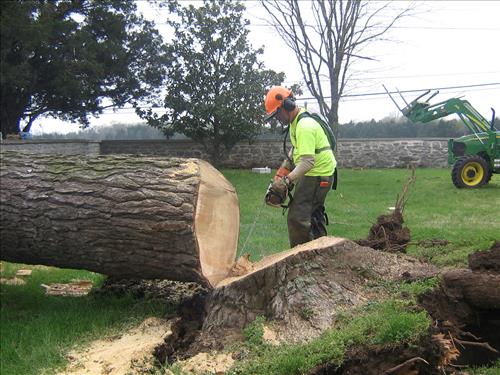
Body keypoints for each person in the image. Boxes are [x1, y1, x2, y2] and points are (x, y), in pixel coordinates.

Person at [264, 86, 337, 247]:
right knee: (311, 214)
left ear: (287, 106)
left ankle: (302, 258)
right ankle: (321, 251)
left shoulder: (305, 126)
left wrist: (286, 181)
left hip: (318, 174)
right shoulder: (296, 122)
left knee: (298, 218)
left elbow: (307, 162)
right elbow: (296, 150)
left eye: (277, 114)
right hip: (315, 172)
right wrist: (283, 169)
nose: (278, 119)